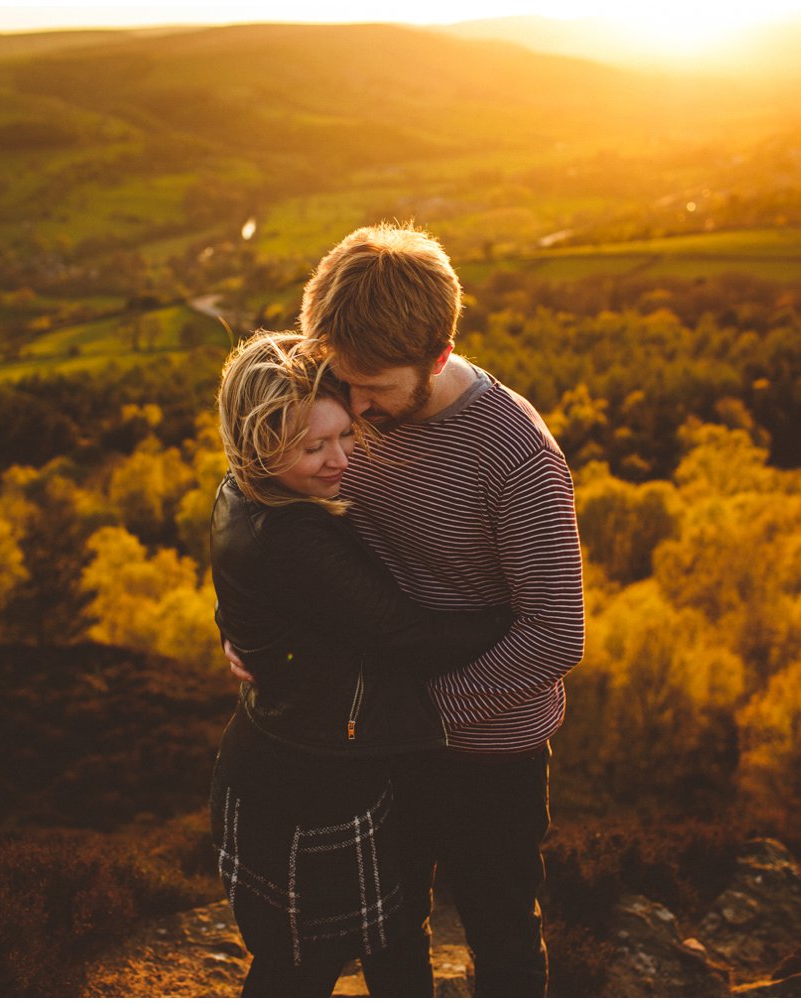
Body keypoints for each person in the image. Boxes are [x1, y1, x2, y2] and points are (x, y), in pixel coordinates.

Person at [230, 223, 585, 995]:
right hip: (376, 738)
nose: (351, 408)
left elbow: (556, 634)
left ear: (437, 356)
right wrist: (251, 629)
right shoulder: (345, 405)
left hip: (489, 752)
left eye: (374, 386)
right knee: (380, 935)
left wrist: (418, 709)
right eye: (341, 379)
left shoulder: (515, 455)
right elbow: (277, 514)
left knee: (503, 945)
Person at [208, 330, 513, 997]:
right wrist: (510, 616)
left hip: (302, 755)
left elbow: (251, 601)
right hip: (307, 784)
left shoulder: (244, 493)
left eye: (344, 435)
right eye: (313, 447)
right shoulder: (294, 539)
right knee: (302, 967)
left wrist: (246, 637)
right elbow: (407, 636)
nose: (339, 459)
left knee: (386, 945)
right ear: (260, 442)